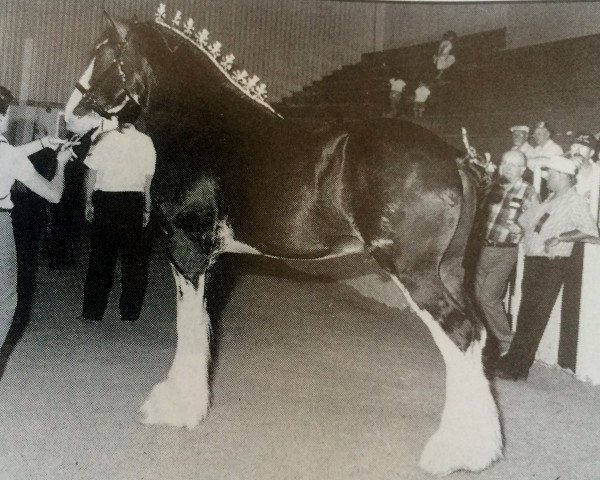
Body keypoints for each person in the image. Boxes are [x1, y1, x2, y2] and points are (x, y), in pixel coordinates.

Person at [495, 155, 599, 380]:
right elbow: (531, 224)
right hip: (535, 262)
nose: (546, 178)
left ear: (562, 176)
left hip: (550, 266)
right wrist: (521, 229)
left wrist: (561, 237)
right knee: (526, 315)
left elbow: (592, 233)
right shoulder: (551, 199)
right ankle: (514, 360)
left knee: (534, 317)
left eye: (550, 174)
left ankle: (518, 367)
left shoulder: (574, 201)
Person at [0, 86, 71, 346]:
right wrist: (60, 165)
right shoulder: (8, 155)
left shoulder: (9, 154)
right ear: (5, 116)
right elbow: (53, 194)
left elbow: (9, 155)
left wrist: (41, 143)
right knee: (4, 304)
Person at [80, 117, 156, 324]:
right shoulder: (147, 142)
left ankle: (92, 314)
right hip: (134, 202)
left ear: (117, 118)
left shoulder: (103, 139)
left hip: (106, 202)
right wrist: (146, 208)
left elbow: (91, 175)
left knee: (101, 259)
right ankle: (130, 315)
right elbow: (147, 183)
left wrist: (88, 201)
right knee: (134, 262)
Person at [474, 150, 536, 357]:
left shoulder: (528, 191)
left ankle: (507, 343)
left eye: (513, 165)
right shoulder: (493, 186)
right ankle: (486, 341)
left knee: (488, 298)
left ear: (523, 170)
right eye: (505, 163)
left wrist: (523, 229)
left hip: (505, 252)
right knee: (475, 296)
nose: (508, 167)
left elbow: (537, 220)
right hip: (481, 248)